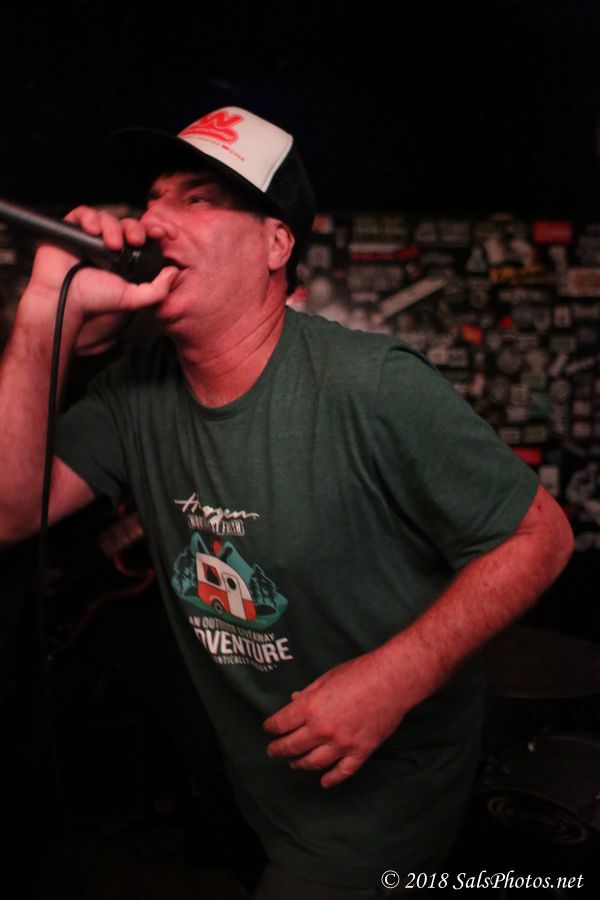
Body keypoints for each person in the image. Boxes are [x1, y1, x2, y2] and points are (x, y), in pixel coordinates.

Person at [0, 106, 573, 898]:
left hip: (378, 798)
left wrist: (392, 678)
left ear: (276, 245)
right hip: (254, 780)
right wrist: (45, 308)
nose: (154, 219)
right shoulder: (137, 392)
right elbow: (9, 511)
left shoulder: (372, 384)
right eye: (153, 198)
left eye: (198, 199)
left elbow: (541, 536)